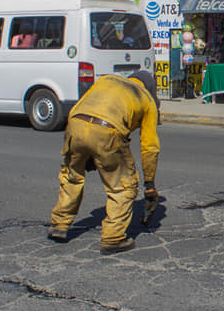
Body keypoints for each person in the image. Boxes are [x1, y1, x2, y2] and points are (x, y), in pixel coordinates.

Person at [47, 70, 160, 254]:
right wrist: (149, 182)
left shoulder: (106, 80)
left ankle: (59, 224)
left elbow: (81, 107)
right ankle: (113, 238)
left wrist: (83, 151)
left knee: (71, 177)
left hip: (75, 125)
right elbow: (150, 147)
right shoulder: (146, 98)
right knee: (123, 187)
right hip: (108, 132)